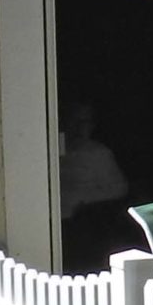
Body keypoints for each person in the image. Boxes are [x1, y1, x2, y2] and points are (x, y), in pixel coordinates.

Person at [57, 101, 130, 268]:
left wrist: (83, 200)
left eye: (85, 122)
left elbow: (119, 188)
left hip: (81, 221)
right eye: (76, 121)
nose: (79, 128)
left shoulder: (98, 153)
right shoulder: (53, 151)